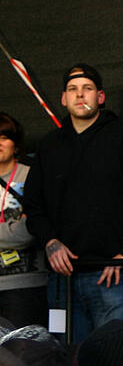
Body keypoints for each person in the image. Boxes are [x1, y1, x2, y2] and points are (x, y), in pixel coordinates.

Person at [22, 65, 123, 341]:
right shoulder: (50, 145)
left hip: (114, 276)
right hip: (62, 279)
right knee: (66, 365)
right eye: (73, 90)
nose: (80, 95)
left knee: (116, 361)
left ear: (100, 97)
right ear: (63, 98)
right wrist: (50, 242)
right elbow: (33, 204)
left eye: (87, 89)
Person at [0, 112, 47, 328]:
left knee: (23, 355)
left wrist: (19, 229)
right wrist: (12, 229)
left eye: (4, 137)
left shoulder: (32, 176)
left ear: (16, 145)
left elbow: (30, 230)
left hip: (24, 284)